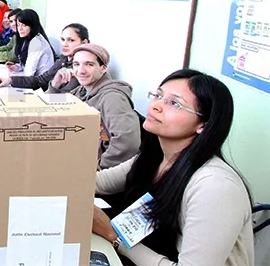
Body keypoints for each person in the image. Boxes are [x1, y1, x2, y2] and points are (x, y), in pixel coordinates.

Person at [92, 69, 254, 265]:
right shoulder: (155, 158)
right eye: (158, 96)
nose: (156, 106)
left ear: (203, 125)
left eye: (174, 103)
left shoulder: (215, 185)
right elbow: (96, 183)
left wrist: (113, 235)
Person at [48, 43, 140, 169]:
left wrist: (97, 169)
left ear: (103, 68)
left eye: (89, 64)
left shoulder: (112, 98)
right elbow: (50, 108)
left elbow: (128, 143)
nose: (81, 70)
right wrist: (56, 83)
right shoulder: (82, 90)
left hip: (96, 169)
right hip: (77, 154)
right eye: (76, 64)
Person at [0, 23, 89, 91]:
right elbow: (41, 80)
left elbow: (64, 96)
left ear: (84, 43)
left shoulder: (81, 67)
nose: (64, 44)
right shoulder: (63, 59)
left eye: (71, 40)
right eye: (62, 39)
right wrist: (11, 80)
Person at [6, 9, 56, 77]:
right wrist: (17, 67)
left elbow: (29, 74)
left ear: (32, 26)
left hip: (41, 84)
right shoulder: (27, 38)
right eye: (18, 25)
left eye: (24, 25)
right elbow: (28, 64)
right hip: (35, 80)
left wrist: (11, 80)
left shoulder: (36, 42)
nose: (20, 29)